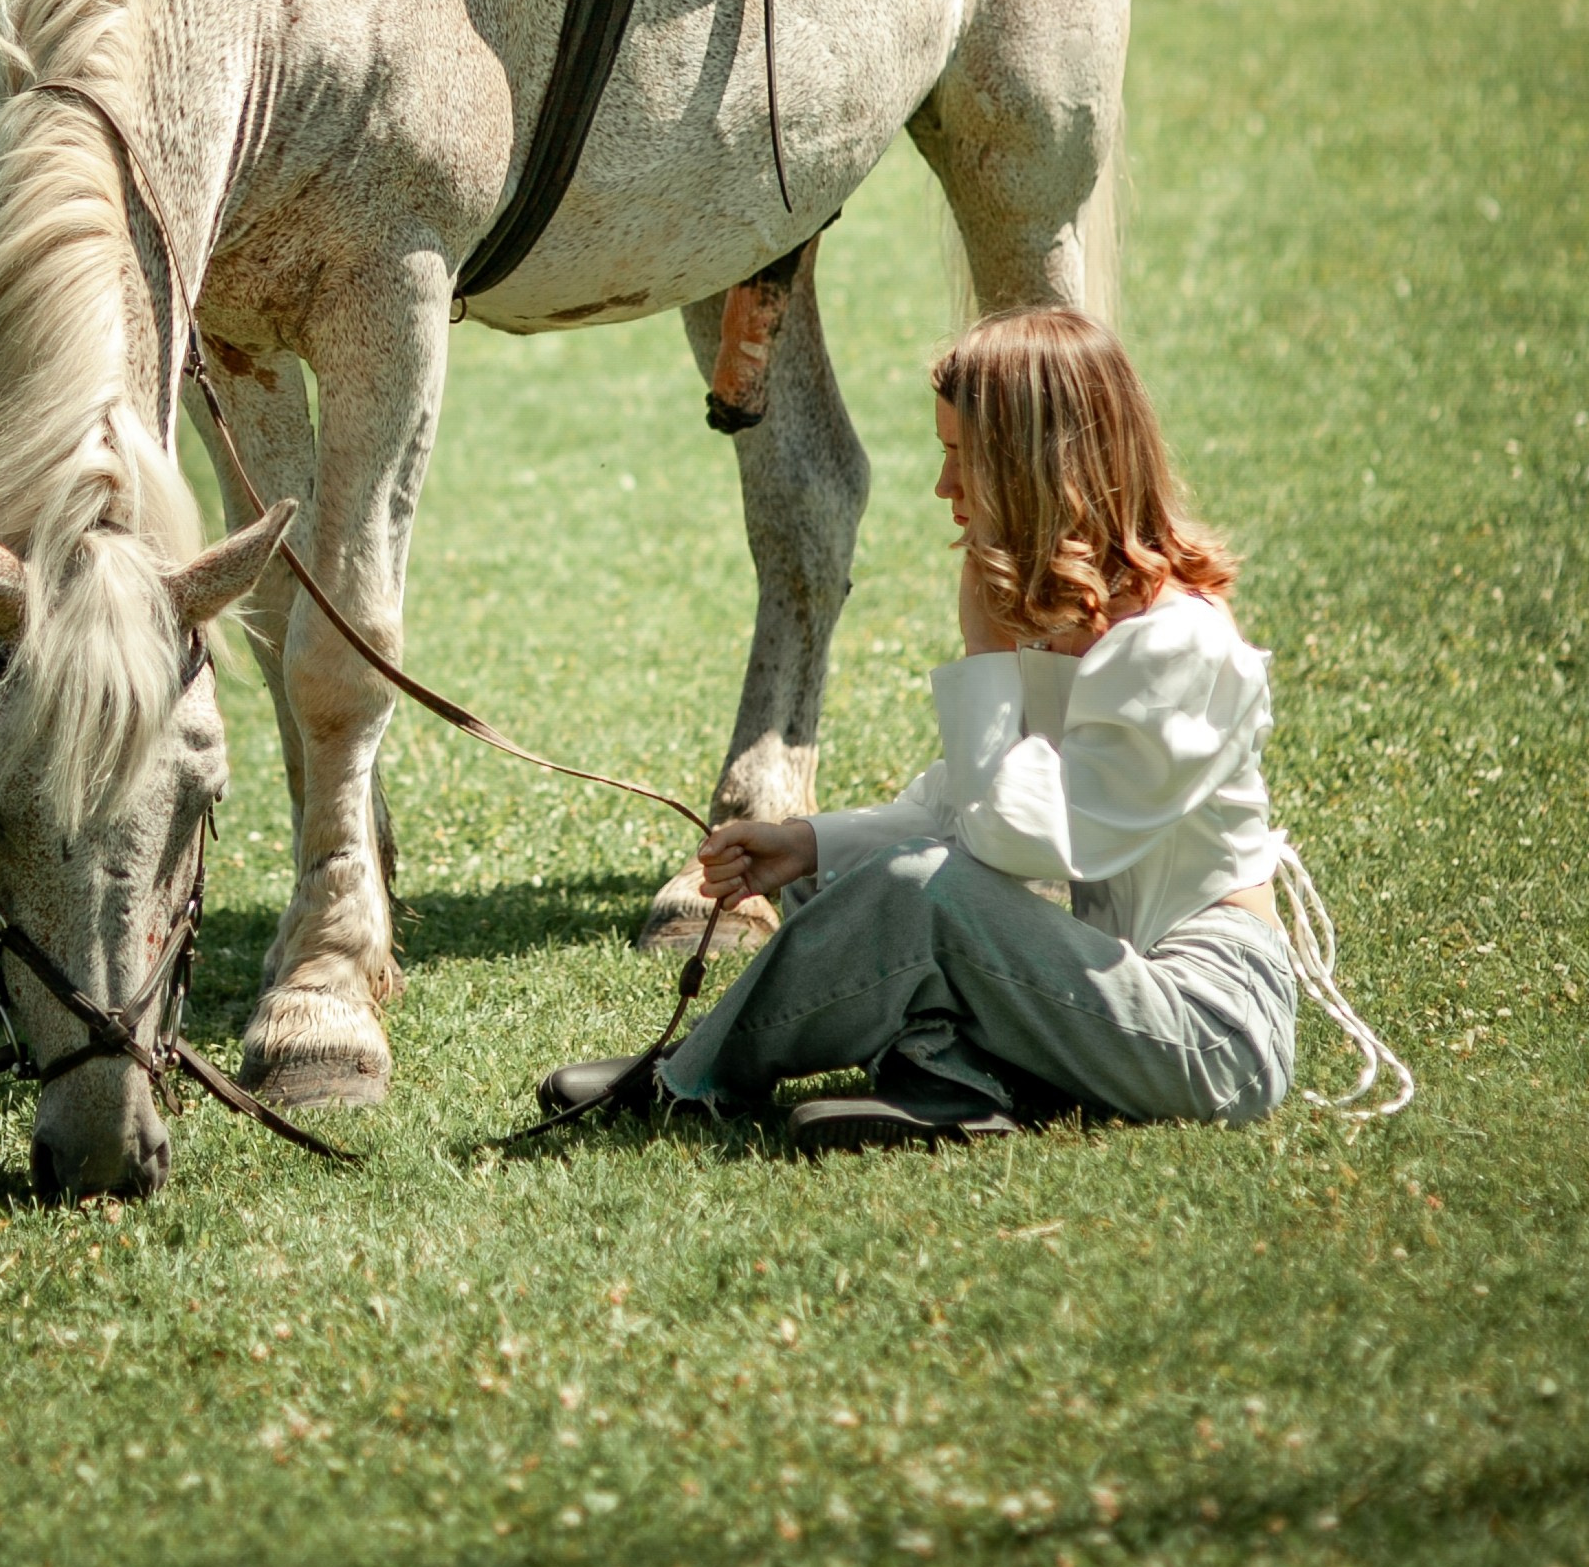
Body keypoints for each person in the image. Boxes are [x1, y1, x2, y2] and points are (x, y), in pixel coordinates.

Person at [540, 306, 1409, 1152]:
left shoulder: (1179, 649)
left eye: (964, 458)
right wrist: (804, 843)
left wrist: (983, 647)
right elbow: (956, 804)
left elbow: (1014, 837)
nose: (943, 487)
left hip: (1211, 1031)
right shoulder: (1077, 619)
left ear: (1039, 466)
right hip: (1119, 981)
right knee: (863, 876)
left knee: (920, 891)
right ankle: (952, 1083)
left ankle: (689, 1081)